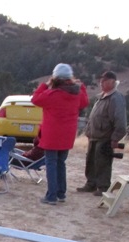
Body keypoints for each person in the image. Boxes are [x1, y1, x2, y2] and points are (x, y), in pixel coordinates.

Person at [31, 63, 89, 205]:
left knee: (51, 163)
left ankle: (51, 196)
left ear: (55, 78)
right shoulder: (76, 94)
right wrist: (81, 86)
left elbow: (35, 99)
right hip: (67, 135)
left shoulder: (53, 94)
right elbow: (85, 102)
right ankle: (61, 193)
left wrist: (45, 85)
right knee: (61, 163)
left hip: (52, 135)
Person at [77, 70, 127, 196]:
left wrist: (115, 138)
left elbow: (120, 120)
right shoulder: (101, 97)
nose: (101, 83)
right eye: (101, 81)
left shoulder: (116, 98)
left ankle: (103, 186)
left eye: (104, 81)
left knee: (102, 162)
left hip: (105, 137)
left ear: (111, 82)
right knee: (91, 161)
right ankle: (91, 183)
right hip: (94, 136)